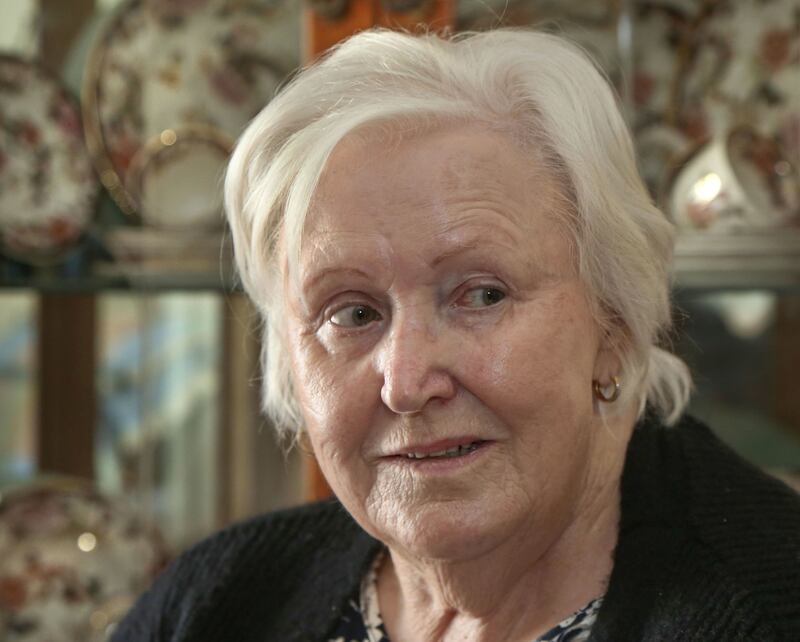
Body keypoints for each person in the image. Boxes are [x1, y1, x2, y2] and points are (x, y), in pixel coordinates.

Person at [111, 29, 800, 642]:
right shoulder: (222, 601)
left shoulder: (768, 607)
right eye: (352, 313)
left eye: (481, 295)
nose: (407, 382)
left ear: (615, 325)